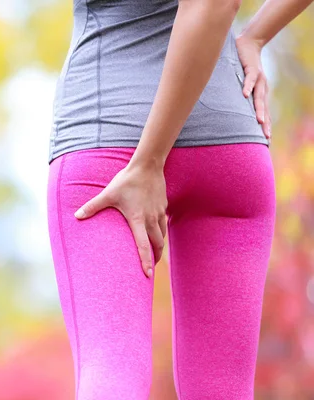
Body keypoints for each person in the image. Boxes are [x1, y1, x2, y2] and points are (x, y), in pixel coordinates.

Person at [45, 0, 314, 398]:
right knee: (222, 391)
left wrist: (149, 161)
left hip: (110, 142)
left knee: (113, 374)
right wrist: (255, 35)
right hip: (229, 136)